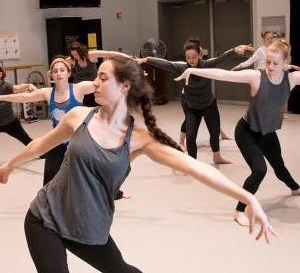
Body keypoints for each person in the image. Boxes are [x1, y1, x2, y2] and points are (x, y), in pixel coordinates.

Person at [0, 56, 275, 272]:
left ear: (124, 86)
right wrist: (10, 164)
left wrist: (247, 196)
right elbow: (41, 144)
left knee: (122, 271)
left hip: (88, 226)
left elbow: (195, 167)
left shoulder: (140, 139)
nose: (95, 82)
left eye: (102, 78)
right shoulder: (78, 116)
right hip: (44, 219)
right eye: (96, 77)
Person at [175, 40, 300, 227]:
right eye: (267, 62)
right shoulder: (256, 77)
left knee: (279, 167)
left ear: (285, 64)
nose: (270, 67)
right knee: (259, 170)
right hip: (246, 132)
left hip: (267, 133)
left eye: (276, 63)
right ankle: (239, 210)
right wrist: (193, 70)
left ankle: (295, 188)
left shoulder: (292, 79)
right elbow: (221, 74)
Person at [137, 38, 254, 164]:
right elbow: (166, 63)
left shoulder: (207, 65)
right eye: (188, 57)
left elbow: (221, 58)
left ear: (200, 54)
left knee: (214, 134)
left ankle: (217, 157)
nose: (191, 60)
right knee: (191, 137)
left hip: (209, 105)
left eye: (194, 56)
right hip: (192, 108)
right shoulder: (182, 68)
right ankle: (193, 164)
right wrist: (146, 59)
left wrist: (235, 51)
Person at [0, 58, 94, 185]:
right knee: (50, 175)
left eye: (62, 70)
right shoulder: (47, 93)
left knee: (87, 175)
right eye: (55, 71)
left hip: (78, 140)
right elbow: (23, 97)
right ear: (51, 75)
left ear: (68, 73)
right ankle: (48, 201)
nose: (59, 73)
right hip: (58, 140)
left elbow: (102, 84)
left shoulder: (79, 88)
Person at [0, 66, 37, 147]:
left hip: (10, 122)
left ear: (0, 74)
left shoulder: (6, 86)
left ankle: (42, 152)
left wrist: (29, 85)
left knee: (27, 140)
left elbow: (17, 87)